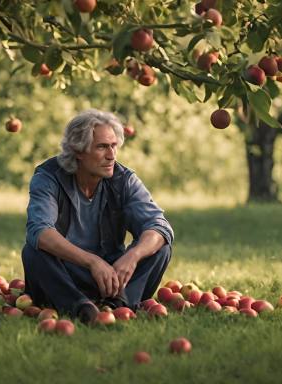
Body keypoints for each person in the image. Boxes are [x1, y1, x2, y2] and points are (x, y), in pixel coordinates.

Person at [21, 109, 174, 324]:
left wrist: (133, 256)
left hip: (113, 276)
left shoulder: (124, 180)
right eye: (102, 147)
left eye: (114, 146)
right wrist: (91, 261)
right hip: (65, 274)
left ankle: (118, 305)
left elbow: (159, 226)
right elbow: (40, 231)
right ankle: (80, 307)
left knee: (161, 246)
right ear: (79, 151)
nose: (111, 155)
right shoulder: (48, 177)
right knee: (33, 251)